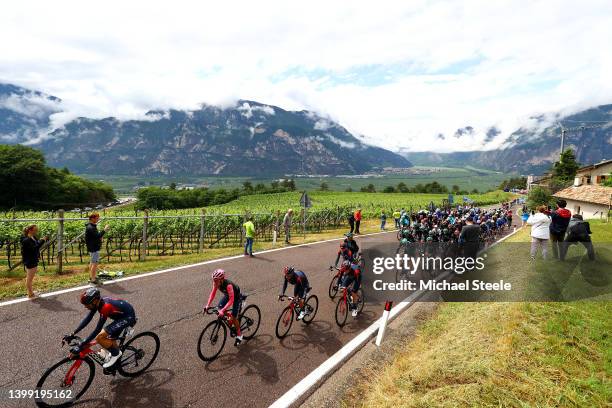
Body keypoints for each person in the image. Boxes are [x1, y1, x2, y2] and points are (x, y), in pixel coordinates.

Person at [65, 288, 136, 368]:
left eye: (86, 304)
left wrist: (81, 345)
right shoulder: (98, 303)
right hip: (120, 316)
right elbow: (87, 319)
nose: (85, 306)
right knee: (109, 338)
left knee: (100, 337)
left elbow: (97, 330)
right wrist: (73, 333)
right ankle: (116, 357)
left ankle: (116, 354)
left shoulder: (105, 307)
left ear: (94, 301)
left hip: (127, 317)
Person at [204, 269, 243, 346]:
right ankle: (229, 318)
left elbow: (232, 300)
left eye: (216, 280)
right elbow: (213, 294)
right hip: (227, 295)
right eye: (214, 280)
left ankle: (239, 334)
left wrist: (223, 310)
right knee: (219, 309)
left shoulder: (228, 285)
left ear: (221, 280)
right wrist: (207, 305)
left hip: (236, 297)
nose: (215, 282)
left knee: (234, 318)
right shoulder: (216, 283)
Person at [20, 224, 47, 299]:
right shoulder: (26, 240)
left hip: (33, 259)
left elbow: (35, 246)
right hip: (30, 261)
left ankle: (31, 292)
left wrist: (38, 255)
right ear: (30, 230)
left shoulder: (32, 237)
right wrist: (42, 240)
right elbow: (35, 247)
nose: (36, 231)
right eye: (35, 230)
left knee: (30, 277)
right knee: (29, 278)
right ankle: (30, 294)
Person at [85, 214, 110, 284]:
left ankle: (91, 276)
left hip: (93, 247)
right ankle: (93, 279)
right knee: (94, 263)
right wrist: (105, 230)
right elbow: (97, 236)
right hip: (94, 248)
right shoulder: (91, 227)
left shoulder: (91, 226)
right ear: (92, 218)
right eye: (96, 218)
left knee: (92, 262)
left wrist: (99, 238)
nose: (98, 219)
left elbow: (95, 236)